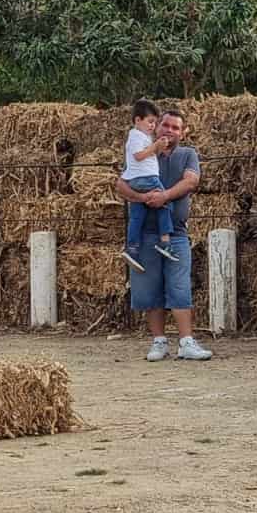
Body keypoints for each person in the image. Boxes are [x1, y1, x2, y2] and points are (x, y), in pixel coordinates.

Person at [111, 110, 213, 362]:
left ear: (183, 133)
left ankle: (186, 342)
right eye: (165, 125)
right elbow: (121, 185)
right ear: (156, 127)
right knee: (149, 289)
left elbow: (191, 181)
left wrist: (164, 196)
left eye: (175, 127)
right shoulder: (143, 151)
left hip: (176, 233)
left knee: (179, 287)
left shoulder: (188, 154)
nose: (169, 130)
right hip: (145, 234)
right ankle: (159, 342)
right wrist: (142, 197)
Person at [119, 98, 177, 271]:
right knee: (164, 203)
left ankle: (132, 250)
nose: (153, 126)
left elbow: (147, 154)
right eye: (150, 122)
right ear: (138, 120)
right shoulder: (136, 136)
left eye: (154, 122)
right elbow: (139, 156)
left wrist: (158, 147)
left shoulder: (141, 136)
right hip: (147, 178)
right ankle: (165, 242)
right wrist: (156, 146)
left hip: (135, 180)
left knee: (137, 216)